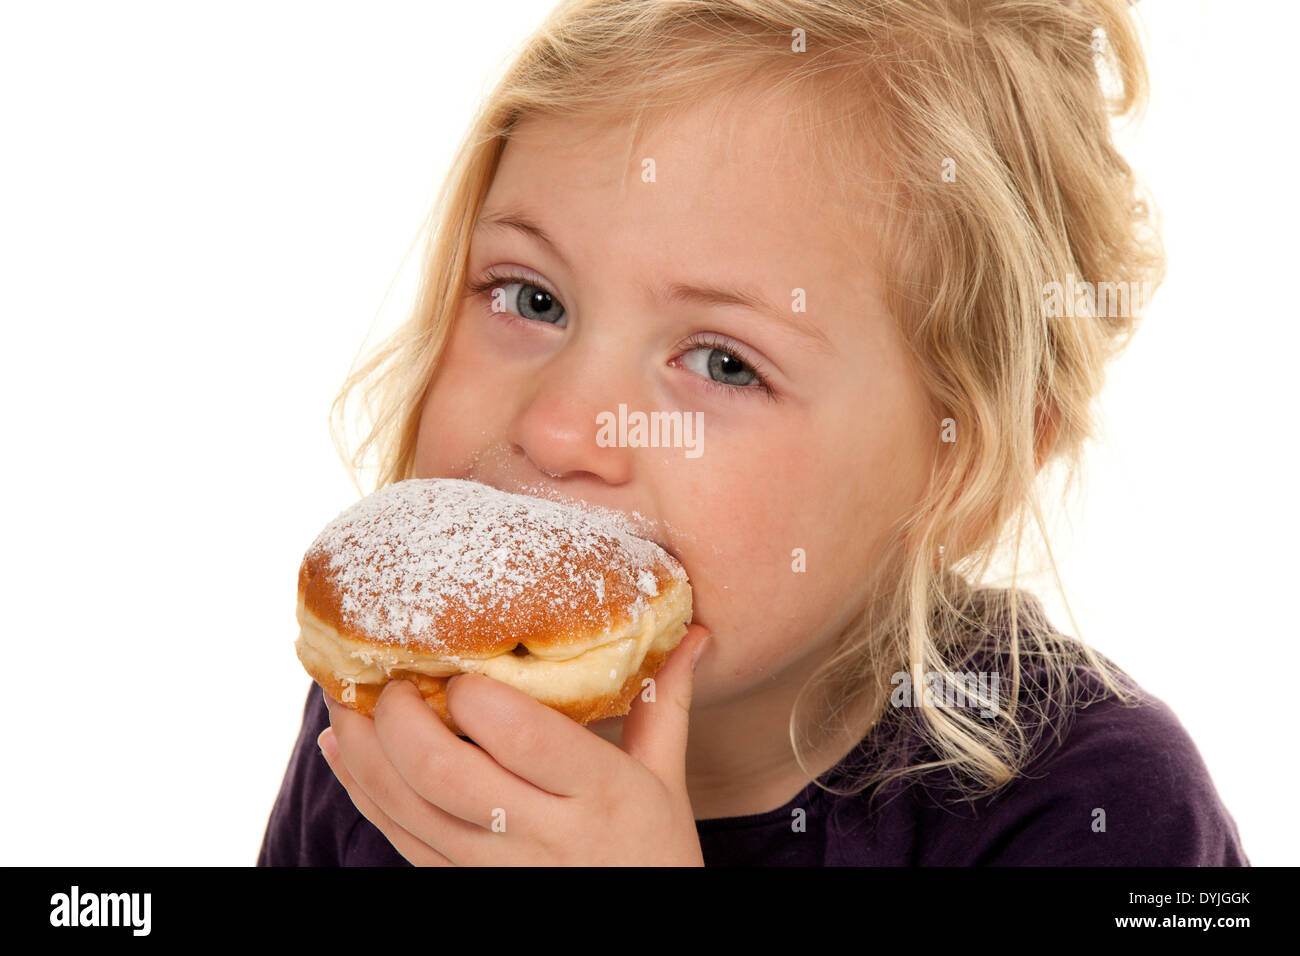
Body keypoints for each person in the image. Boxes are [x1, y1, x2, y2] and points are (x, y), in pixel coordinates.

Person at [258, 0, 1247, 866]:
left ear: (960, 475)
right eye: (529, 296)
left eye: (725, 362)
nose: (559, 425)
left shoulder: (1094, 810)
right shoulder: (404, 706)